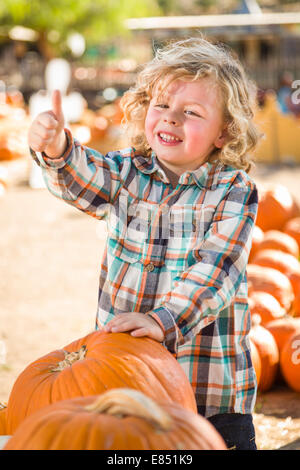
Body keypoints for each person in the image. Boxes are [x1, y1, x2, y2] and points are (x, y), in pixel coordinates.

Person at [28, 37, 261, 450]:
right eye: (161, 106)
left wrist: (163, 320)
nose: (170, 120)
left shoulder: (233, 191)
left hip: (211, 391)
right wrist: (57, 148)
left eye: (190, 113)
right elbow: (82, 179)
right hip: (128, 383)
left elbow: (216, 272)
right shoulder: (126, 172)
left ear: (224, 132)